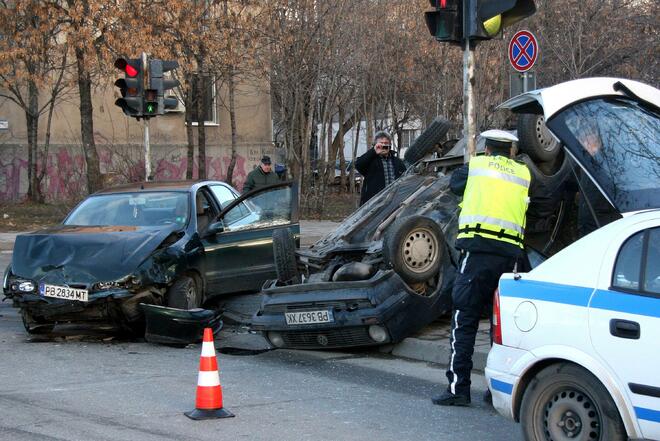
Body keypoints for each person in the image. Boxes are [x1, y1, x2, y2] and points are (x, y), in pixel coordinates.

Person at [433, 130, 531, 407]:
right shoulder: (524, 174)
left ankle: (458, 389)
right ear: (511, 151)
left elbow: (454, 185)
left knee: (464, 319)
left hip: (476, 253)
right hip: (510, 258)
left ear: (487, 149)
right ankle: (497, 391)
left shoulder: (475, 167)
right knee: (500, 328)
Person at [355, 131, 406, 206]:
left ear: (390, 145)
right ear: (375, 145)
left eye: (386, 143)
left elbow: (405, 178)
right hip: (373, 203)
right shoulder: (370, 161)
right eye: (381, 143)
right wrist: (373, 151)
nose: (383, 145)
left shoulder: (397, 161)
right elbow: (358, 164)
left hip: (394, 202)